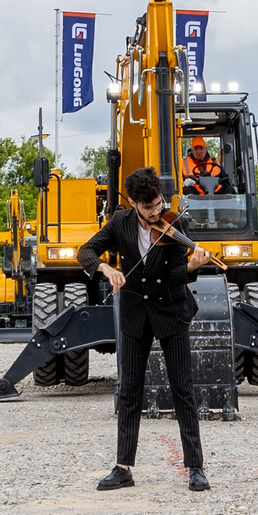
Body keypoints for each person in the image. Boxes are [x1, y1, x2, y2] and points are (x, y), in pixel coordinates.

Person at [80, 166, 216, 493]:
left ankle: (194, 467)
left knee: (182, 388)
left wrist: (193, 266)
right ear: (133, 203)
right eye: (148, 207)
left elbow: (172, 277)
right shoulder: (120, 223)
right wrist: (105, 268)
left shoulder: (174, 224)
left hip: (170, 310)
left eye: (158, 203)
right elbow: (85, 252)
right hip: (135, 314)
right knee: (129, 389)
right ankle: (123, 467)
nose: (156, 212)